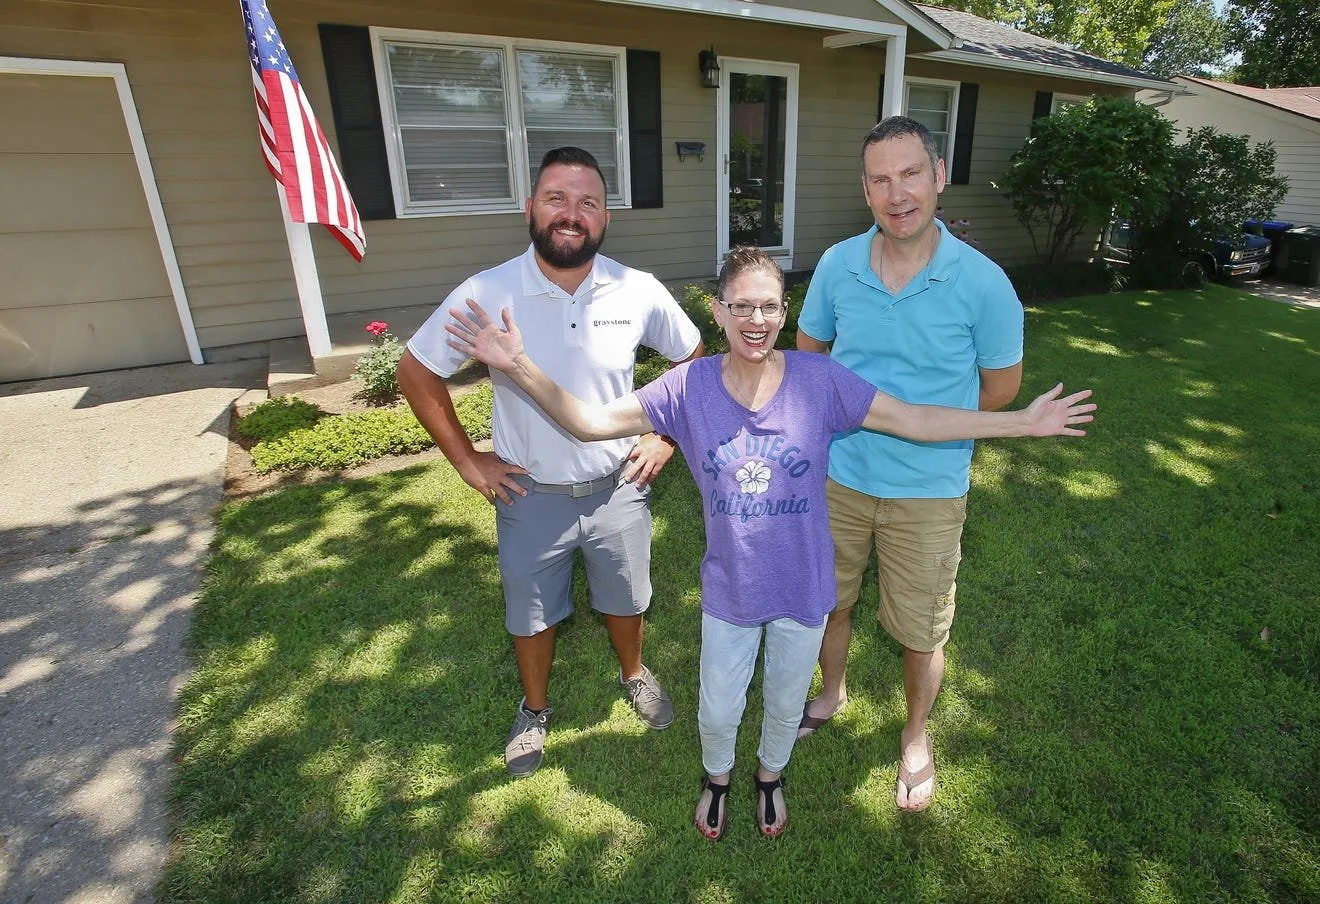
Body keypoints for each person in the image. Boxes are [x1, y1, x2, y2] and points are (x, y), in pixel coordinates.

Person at [444, 246, 1095, 838]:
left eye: (768, 307)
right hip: (731, 586)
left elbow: (918, 419)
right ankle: (718, 779)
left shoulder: (821, 381)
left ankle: (771, 777)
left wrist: (1020, 423)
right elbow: (588, 423)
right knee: (720, 706)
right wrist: (520, 365)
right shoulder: (687, 388)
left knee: (785, 701)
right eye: (741, 307)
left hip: (805, 585)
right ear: (719, 312)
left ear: (784, 312)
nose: (755, 320)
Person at [398, 147, 705, 778]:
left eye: (588, 202)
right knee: (530, 613)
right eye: (557, 198)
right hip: (528, 493)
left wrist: (665, 437)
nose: (572, 214)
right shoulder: (487, 292)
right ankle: (534, 710)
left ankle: (634, 673)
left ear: (605, 218)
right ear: (530, 207)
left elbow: (694, 357)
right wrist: (467, 461)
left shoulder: (636, 289)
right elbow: (416, 370)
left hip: (619, 485)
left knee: (626, 598)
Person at [794, 115, 1027, 812]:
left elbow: (999, 392)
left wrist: (928, 429)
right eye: (880, 179)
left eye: (910, 174)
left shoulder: (984, 285)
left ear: (938, 177)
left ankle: (917, 736)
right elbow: (811, 356)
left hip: (929, 490)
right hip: (839, 477)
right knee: (828, 603)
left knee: (922, 633)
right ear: (864, 191)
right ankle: (831, 693)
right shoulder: (837, 265)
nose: (897, 194)